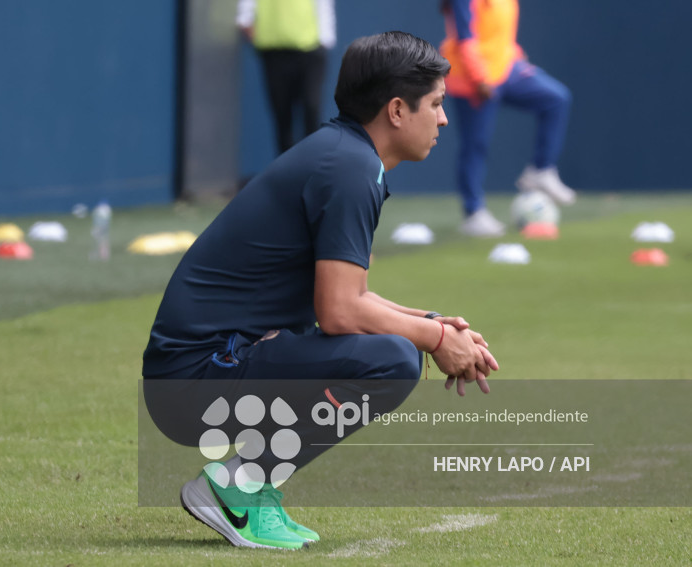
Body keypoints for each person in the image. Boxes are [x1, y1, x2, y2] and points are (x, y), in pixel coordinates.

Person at [142, 31, 499, 550]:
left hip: (203, 369)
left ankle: (252, 488)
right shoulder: (351, 170)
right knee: (393, 361)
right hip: (195, 381)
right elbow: (339, 312)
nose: (444, 119)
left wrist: (436, 323)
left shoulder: (345, 156)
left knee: (396, 347)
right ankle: (236, 488)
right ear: (397, 110)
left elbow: (350, 296)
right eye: (437, 104)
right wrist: (434, 341)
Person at [441, 0, 576, 238]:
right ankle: (473, 212)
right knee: (475, 144)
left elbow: (502, 33)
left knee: (556, 98)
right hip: (472, 75)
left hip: (506, 67)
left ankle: (541, 170)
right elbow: (465, 37)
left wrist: (517, 58)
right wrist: (479, 78)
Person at [236, 0, 336, 154]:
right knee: (283, 119)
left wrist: (324, 40)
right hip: (274, 51)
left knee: (311, 110)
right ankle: (288, 175)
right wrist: (244, 18)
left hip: (311, 49)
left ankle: (313, 169)